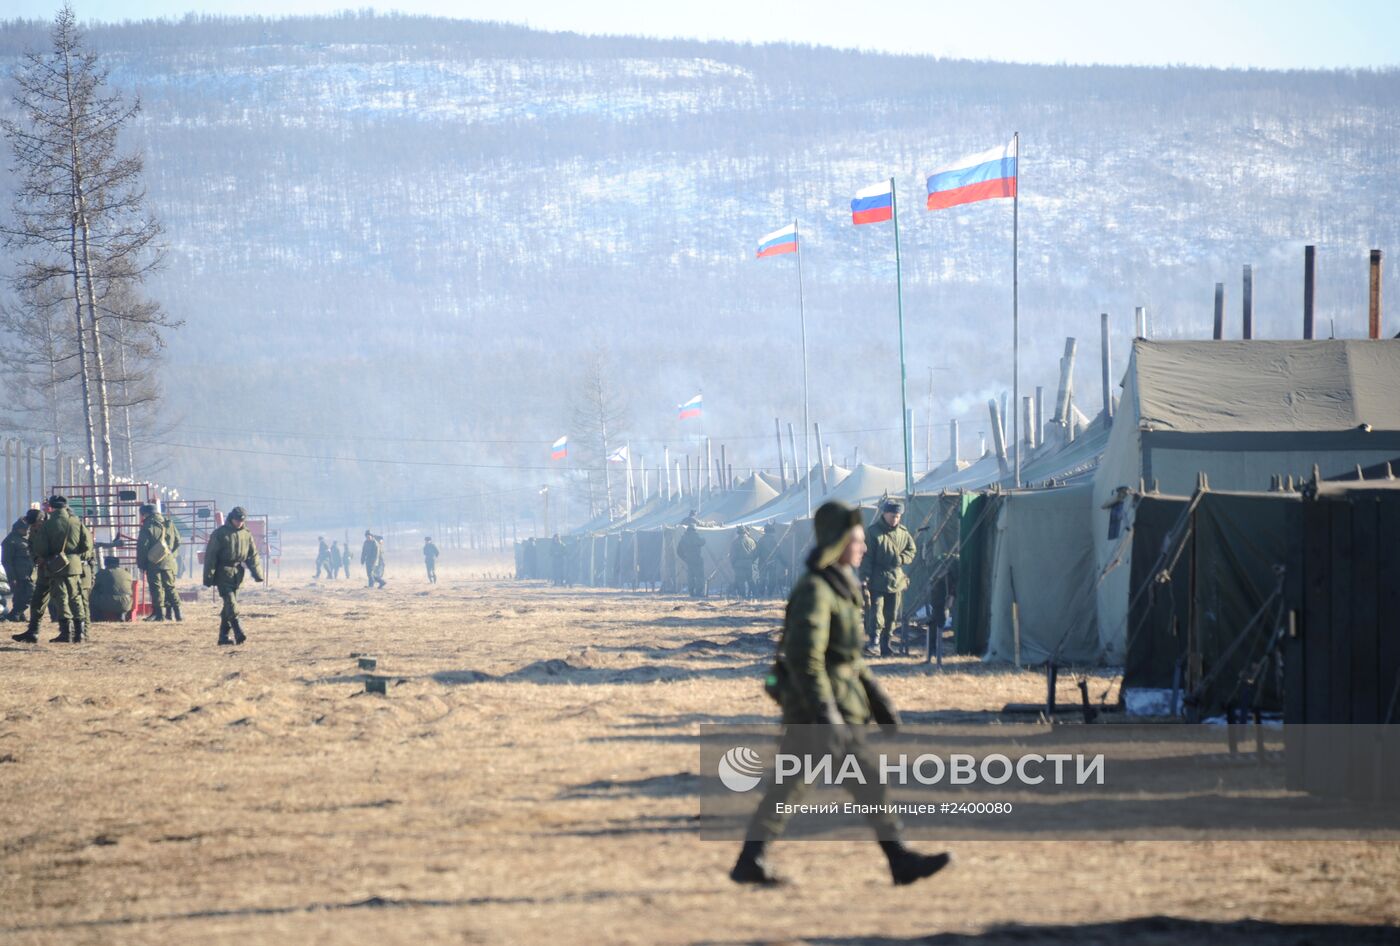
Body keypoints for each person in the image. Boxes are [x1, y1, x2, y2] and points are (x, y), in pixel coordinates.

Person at [730, 500, 950, 887]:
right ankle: (897, 858)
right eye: (858, 540)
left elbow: (849, 658)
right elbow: (805, 659)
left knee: (849, 785)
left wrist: (878, 700)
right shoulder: (817, 590)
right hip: (816, 713)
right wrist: (824, 712)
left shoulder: (842, 586)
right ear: (838, 542)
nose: (864, 547)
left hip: (838, 708)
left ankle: (897, 859)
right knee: (808, 786)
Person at [14, 496, 93, 644]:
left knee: (61, 598)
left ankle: (65, 632)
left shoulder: (48, 525)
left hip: (52, 565)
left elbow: (41, 548)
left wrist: (44, 557)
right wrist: (74, 555)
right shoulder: (76, 521)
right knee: (75, 598)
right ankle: (79, 633)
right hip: (74, 565)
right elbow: (87, 546)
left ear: (51, 507)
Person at [861, 499, 917, 657]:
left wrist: (902, 559)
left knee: (892, 614)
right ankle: (874, 642)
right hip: (877, 578)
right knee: (876, 611)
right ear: (884, 514)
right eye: (893, 516)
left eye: (898, 516)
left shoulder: (903, 533)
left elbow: (911, 550)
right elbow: (866, 557)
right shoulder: (873, 532)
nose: (895, 519)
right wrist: (864, 578)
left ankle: (887, 643)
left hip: (896, 579)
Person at [203, 506, 264, 645]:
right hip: (222, 572)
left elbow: (252, 555)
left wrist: (257, 573)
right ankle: (238, 631)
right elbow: (211, 556)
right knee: (231, 602)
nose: (239, 523)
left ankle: (223, 637)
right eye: (237, 520)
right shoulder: (220, 534)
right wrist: (208, 576)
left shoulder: (246, 534)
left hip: (238, 573)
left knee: (228, 606)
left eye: (242, 521)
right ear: (231, 518)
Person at [137, 503, 181, 622]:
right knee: (170, 587)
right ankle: (178, 613)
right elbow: (177, 541)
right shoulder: (169, 523)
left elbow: (143, 547)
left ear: (145, 514)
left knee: (156, 587)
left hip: (153, 562)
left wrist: (141, 564)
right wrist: (170, 554)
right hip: (168, 561)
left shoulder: (147, 525)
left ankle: (160, 615)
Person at [2, 513, 36, 623]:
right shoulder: (10, 541)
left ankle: (19, 615)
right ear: (19, 529)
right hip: (19, 574)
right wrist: (12, 578)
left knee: (19, 595)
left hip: (26, 573)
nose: (27, 531)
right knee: (30, 593)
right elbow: (7, 562)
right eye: (25, 529)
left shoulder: (21, 540)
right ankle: (15, 613)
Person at [91, 556, 135, 622]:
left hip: (107, 604)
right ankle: (122, 614)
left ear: (105, 564)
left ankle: (97, 617)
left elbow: (93, 585)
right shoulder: (127, 574)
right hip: (126, 604)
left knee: (92, 594)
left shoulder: (102, 573)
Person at [677, 522, 706, 598]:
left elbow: (678, 551)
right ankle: (699, 592)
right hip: (697, 559)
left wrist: (685, 558)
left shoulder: (683, 538)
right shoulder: (695, 536)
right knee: (699, 576)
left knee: (690, 576)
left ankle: (691, 592)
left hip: (689, 560)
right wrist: (704, 538)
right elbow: (702, 542)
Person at [729, 525, 758, 598]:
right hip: (749, 563)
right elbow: (755, 553)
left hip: (738, 564)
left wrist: (733, 563)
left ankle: (743, 596)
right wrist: (751, 561)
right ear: (745, 532)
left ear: (738, 533)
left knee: (740, 581)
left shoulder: (735, 542)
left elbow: (733, 555)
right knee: (750, 580)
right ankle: (756, 594)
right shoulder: (751, 541)